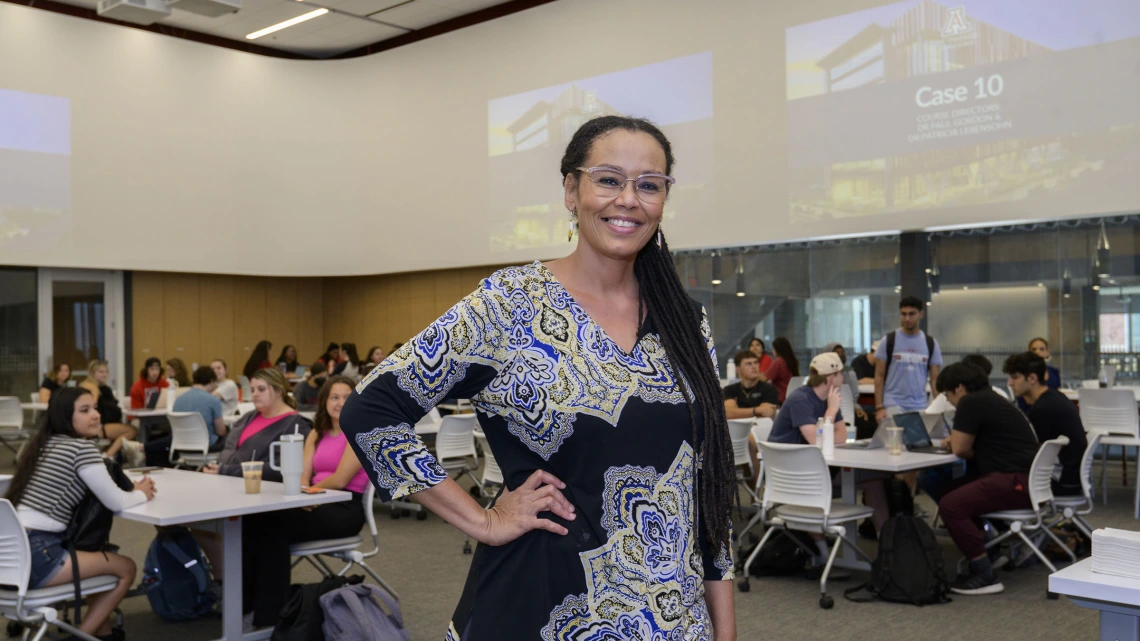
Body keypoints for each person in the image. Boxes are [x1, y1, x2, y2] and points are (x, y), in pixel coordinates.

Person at [342, 115, 735, 640]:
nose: (628, 199)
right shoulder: (508, 304)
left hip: (669, 621)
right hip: (540, 609)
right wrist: (481, 520)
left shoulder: (687, 323)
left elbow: (709, 488)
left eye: (649, 185)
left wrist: (723, 630)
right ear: (572, 191)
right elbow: (370, 410)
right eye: (609, 179)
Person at [4, 387, 156, 640]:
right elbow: (117, 501)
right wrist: (142, 492)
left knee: (99, 557)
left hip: (10, 561)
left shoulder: (43, 445)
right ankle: (82, 636)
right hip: (39, 556)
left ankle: (103, 633)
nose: (95, 415)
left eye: (95, 408)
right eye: (85, 411)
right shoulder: (81, 450)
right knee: (126, 568)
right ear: (66, 417)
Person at [241, 376, 367, 627]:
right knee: (253, 521)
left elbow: (341, 479)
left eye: (346, 397)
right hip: (314, 499)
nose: (340, 403)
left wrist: (309, 493)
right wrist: (301, 496)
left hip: (344, 508)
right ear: (324, 401)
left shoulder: (359, 432)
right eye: (334, 397)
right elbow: (302, 476)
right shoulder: (316, 433)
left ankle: (270, 615)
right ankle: (247, 604)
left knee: (272, 527)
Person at [196, 368, 312, 603]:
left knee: (248, 531)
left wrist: (226, 470)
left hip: (262, 501)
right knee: (190, 520)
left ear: (279, 391)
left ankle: (245, 601)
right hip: (229, 490)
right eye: (253, 389)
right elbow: (228, 453)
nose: (255, 395)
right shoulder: (248, 417)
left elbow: (278, 470)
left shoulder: (296, 425)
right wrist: (217, 469)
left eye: (261, 389)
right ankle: (226, 585)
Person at [935, 363, 1040, 596]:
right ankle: (986, 548)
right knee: (950, 490)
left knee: (950, 505)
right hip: (1028, 482)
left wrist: (956, 442)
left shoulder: (970, 402)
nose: (949, 401)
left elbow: (961, 449)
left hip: (1012, 481)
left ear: (959, 388)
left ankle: (984, 573)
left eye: (947, 394)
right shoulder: (992, 399)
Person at [767, 352, 889, 534]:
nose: (844, 377)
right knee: (869, 481)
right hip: (794, 475)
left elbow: (841, 436)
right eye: (841, 374)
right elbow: (817, 442)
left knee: (874, 481)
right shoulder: (801, 399)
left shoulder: (828, 398)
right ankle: (823, 556)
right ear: (832, 378)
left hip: (815, 468)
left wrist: (830, 414)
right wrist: (831, 411)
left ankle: (886, 542)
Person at [1004, 351, 1087, 496]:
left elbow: (1030, 454)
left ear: (1032, 378)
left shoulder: (1043, 409)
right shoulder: (1055, 397)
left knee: (995, 483)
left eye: (1015, 377)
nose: (1010, 383)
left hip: (1061, 482)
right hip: (1072, 477)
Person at [874, 296, 942, 422]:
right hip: (893, 403)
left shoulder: (930, 343)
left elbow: (934, 380)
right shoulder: (888, 340)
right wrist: (879, 407)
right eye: (903, 314)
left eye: (912, 314)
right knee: (894, 441)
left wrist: (939, 408)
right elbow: (879, 376)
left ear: (921, 314)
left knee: (918, 441)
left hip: (919, 405)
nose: (907, 318)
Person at [145, 366, 228, 466]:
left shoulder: (178, 399)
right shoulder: (213, 400)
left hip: (181, 447)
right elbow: (221, 431)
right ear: (211, 381)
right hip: (206, 447)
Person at [78, 359, 138, 457]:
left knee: (126, 431)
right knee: (132, 431)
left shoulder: (104, 388)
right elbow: (92, 407)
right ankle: (108, 455)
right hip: (97, 425)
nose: (104, 375)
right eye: (101, 372)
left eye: (106, 372)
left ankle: (110, 455)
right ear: (92, 373)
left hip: (105, 423)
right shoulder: (91, 387)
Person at [723, 351, 779, 420]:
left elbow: (767, 414)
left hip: (761, 429)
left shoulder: (769, 389)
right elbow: (728, 413)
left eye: (756, 363)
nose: (754, 366)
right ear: (738, 369)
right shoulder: (729, 390)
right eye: (748, 364)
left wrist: (737, 413)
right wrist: (756, 410)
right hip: (737, 429)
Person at [764, 336, 800, 403]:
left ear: (777, 349)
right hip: (791, 396)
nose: (772, 351)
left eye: (773, 349)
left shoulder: (778, 362)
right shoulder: (793, 361)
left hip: (780, 398)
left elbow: (764, 378)